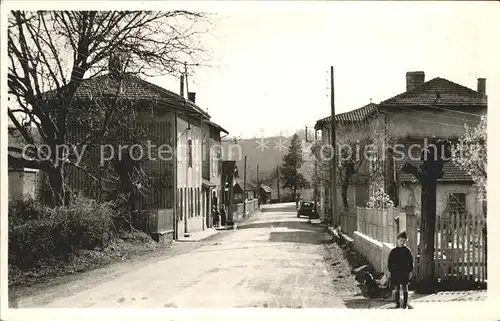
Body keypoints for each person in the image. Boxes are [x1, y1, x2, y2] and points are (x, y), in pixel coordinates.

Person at [387, 231, 414, 309]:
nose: (402, 242)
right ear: (397, 240)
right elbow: (390, 262)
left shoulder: (407, 251)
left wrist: (410, 271)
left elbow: (411, 262)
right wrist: (390, 271)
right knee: (397, 287)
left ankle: (405, 304)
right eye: (401, 240)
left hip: (404, 272)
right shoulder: (393, 251)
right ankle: (397, 304)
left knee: (405, 287)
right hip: (396, 272)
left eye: (404, 241)